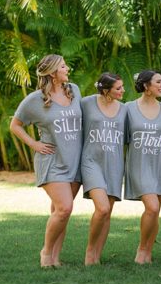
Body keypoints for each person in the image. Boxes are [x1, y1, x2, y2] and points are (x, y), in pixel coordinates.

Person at [9, 54, 83, 267]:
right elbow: (15, 125)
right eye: (63, 66)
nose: (67, 68)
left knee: (60, 213)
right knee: (65, 208)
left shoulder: (74, 90)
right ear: (52, 73)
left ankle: (55, 259)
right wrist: (34, 144)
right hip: (51, 161)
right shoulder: (35, 99)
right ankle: (46, 252)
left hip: (74, 160)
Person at [125, 70, 161, 264]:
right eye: (158, 82)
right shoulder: (128, 108)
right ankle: (142, 248)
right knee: (152, 208)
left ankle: (148, 251)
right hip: (139, 165)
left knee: (155, 211)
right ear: (146, 86)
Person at [79, 73, 127, 265]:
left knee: (108, 212)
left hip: (115, 163)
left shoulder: (124, 109)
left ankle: (97, 255)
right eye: (118, 88)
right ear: (106, 90)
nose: (123, 90)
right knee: (102, 208)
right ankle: (90, 251)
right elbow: (69, 119)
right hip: (91, 161)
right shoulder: (86, 103)